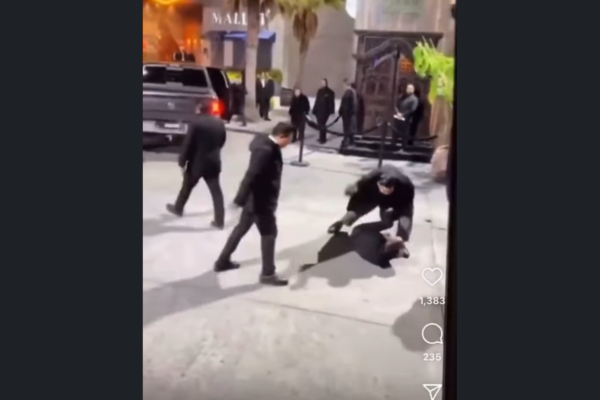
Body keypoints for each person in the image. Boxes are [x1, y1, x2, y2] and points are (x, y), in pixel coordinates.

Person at [213, 122, 295, 286]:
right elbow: (251, 174)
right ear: (281, 136)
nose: (290, 142)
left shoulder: (265, 142)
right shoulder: (266, 151)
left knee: (240, 230)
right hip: (261, 201)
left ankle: (222, 262)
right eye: (289, 139)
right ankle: (268, 274)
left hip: (253, 201)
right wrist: (239, 199)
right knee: (269, 234)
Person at [166, 103, 226, 228]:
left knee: (187, 186)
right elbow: (222, 141)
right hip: (213, 162)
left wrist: (182, 161)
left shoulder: (196, 123)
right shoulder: (219, 123)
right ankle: (219, 221)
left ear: (199, 110)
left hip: (197, 163)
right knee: (216, 192)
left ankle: (178, 208)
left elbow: (188, 144)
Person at [327, 164, 415, 245]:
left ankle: (399, 242)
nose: (385, 192)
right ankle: (340, 223)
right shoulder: (370, 178)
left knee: (389, 221)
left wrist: (401, 235)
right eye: (383, 189)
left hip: (394, 199)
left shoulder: (405, 186)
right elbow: (358, 191)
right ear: (378, 183)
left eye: (388, 190)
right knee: (360, 208)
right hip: (373, 194)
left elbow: (407, 212)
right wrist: (353, 190)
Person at [312, 78, 335, 144]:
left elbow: (331, 102)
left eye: (323, 82)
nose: (322, 83)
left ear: (326, 83)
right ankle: (321, 137)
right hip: (318, 111)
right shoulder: (319, 91)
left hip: (325, 111)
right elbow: (317, 101)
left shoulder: (330, 92)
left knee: (323, 125)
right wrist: (314, 110)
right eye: (321, 82)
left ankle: (323, 139)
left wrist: (331, 111)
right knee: (320, 125)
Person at [338, 79, 359, 147]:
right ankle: (351, 143)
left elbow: (346, 105)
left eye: (343, 85)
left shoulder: (348, 92)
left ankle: (346, 144)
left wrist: (342, 112)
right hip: (351, 115)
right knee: (350, 130)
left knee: (347, 130)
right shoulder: (353, 92)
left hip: (348, 116)